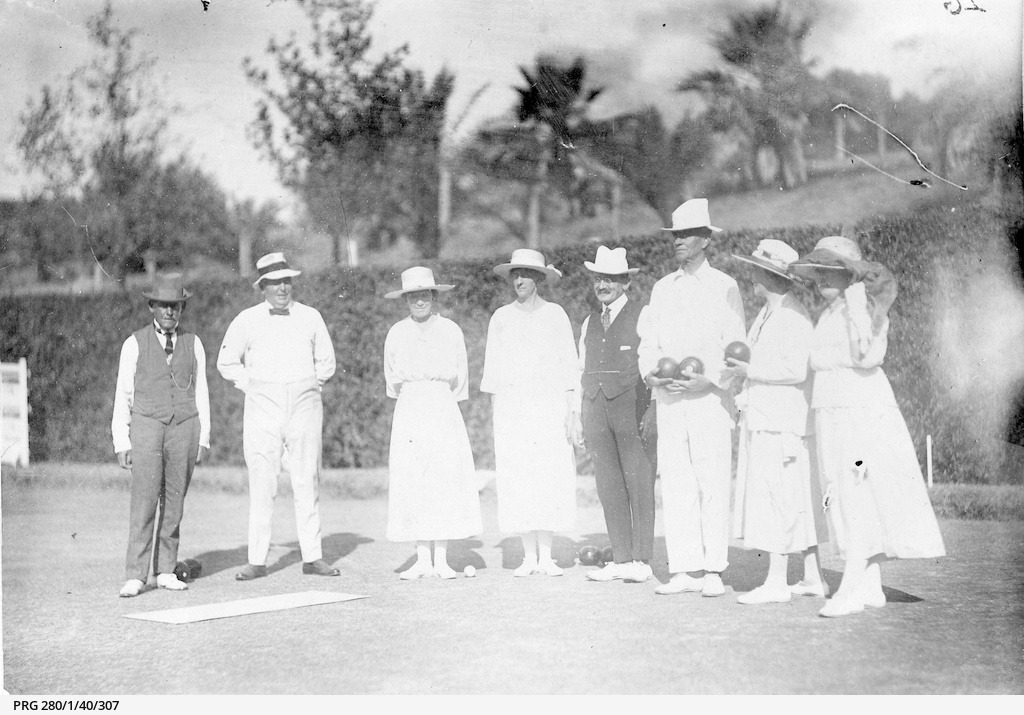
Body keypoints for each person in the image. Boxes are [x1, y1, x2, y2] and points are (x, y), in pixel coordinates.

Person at [789, 236, 945, 617]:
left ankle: (851, 586)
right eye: (818, 271)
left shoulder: (865, 306)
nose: (821, 278)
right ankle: (870, 584)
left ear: (849, 275)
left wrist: (859, 306)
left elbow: (867, 355)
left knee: (855, 493)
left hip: (859, 411)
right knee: (839, 494)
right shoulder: (829, 312)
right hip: (831, 409)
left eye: (830, 270)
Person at [637, 198, 746, 597]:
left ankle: (713, 568)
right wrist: (651, 374)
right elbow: (648, 344)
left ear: (704, 240)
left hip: (709, 402)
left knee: (712, 481)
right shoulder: (662, 288)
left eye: (685, 235)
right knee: (677, 480)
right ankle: (683, 568)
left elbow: (736, 348)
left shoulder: (724, 287)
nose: (677, 241)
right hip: (670, 402)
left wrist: (711, 381)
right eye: (675, 235)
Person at [217, 252, 340, 580]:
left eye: (286, 280)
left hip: (304, 405)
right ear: (262, 287)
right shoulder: (247, 320)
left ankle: (312, 557)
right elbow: (227, 361)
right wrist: (252, 386)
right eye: (274, 283)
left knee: (307, 479)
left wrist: (310, 385)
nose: (282, 288)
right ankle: (257, 560)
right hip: (262, 407)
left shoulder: (311, 317)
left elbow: (326, 362)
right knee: (262, 481)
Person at [726, 240, 828, 604]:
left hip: (783, 424)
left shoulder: (793, 317)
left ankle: (776, 582)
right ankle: (814, 577)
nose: (750, 273)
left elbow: (797, 369)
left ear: (769, 276)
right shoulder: (769, 313)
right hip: (768, 418)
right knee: (795, 497)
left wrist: (750, 370)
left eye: (756, 268)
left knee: (780, 498)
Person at [480, 249, 580, 577]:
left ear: (538, 278)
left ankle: (547, 556)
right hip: (513, 410)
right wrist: (498, 419)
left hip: (549, 407)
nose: (519, 280)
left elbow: (569, 367)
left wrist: (571, 411)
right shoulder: (501, 318)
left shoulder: (556, 315)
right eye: (515, 274)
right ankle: (527, 556)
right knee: (519, 476)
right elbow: (493, 373)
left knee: (549, 475)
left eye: (525, 274)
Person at [112, 273, 210, 598]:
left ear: (182, 309)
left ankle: (165, 569)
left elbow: (202, 393)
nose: (170, 313)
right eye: (164, 306)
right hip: (146, 427)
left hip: (184, 427)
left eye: (177, 307)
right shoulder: (134, 343)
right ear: (152, 306)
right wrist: (121, 441)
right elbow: (123, 395)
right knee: (144, 500)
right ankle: (136, 574)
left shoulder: (193, 343)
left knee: (175, 501)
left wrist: (204, 437)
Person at [383, 267, 483, 579]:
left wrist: (439, 397)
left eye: (424, 294)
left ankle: (441, 559)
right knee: (413, 480)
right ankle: (422, 559)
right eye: (413, 295)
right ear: (406, 299)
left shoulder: (451, 330)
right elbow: (391, 382)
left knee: (442, 479)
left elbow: (460, 380)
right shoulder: (397, 333)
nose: (419, 301)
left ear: (433, 296)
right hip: (411, 407)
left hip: (442, 407)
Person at [574, 246, 655, 584]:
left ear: (625, 283)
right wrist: (580, 416)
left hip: (630, 408)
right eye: (598, 278)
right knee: (607, 483)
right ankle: (620, 557)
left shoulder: (643, 315)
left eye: (610, 278)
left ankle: (641, 559)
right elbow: (581, 369)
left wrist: (653, 407)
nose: (603, 284)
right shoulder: (590, 320)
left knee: (638, 481)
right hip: (595, 409)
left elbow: (652, 362)